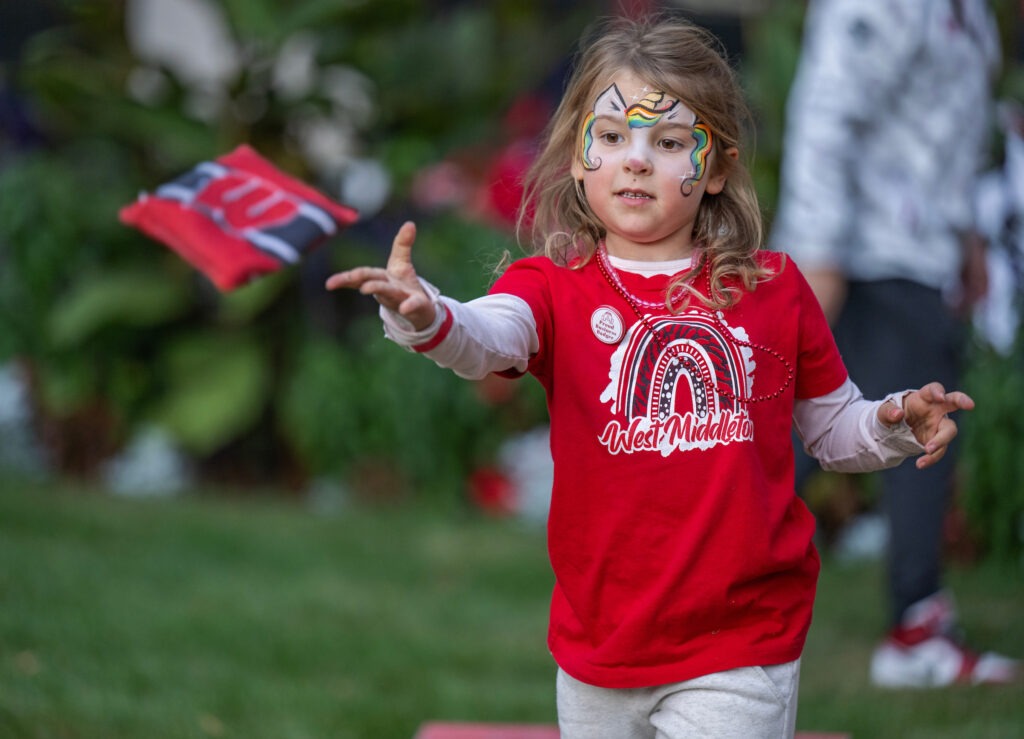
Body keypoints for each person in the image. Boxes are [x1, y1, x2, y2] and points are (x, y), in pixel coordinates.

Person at [327, 16, 976, 737]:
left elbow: (831, 428)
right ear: (578, 155)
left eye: (669, 143)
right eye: (611, 137)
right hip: (599, 649)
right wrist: (427, 316)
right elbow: (485, 335)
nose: (636, 160)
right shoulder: (550, 287)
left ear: (718, 167)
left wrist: (891, 422)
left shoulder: (776, 289)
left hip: (740, 645)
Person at [770, 0, 1019, 688]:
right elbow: (828, 106)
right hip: (862, 254)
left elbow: (948, 120)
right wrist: (817, 253)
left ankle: (691, 592)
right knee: (904, 429)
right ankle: (913, 628)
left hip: (914, 247)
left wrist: (963, 229)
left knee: (822, 429)